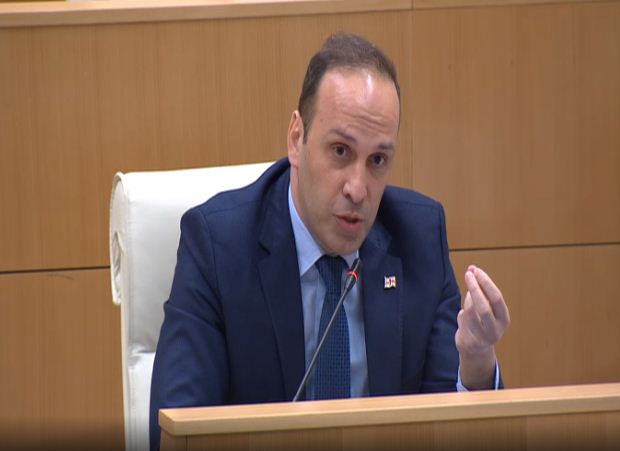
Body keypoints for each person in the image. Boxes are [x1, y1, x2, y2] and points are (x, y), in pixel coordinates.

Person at [149, 33, 510, 450]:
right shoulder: (218, 246)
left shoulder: (418, 239)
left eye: (378, 160)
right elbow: (176, 430)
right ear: (296, 139)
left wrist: (476, 364)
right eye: (340, 151)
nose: (358, 188)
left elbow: (453, 428)